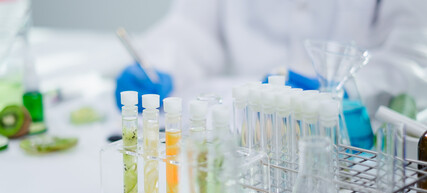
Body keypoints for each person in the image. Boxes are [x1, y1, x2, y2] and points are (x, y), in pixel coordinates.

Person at [116, 0, 427, 115]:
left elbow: (413, 59)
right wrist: (160, 64)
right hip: (246, 128)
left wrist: (348, 92)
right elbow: (194, 26)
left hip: (353, 145)